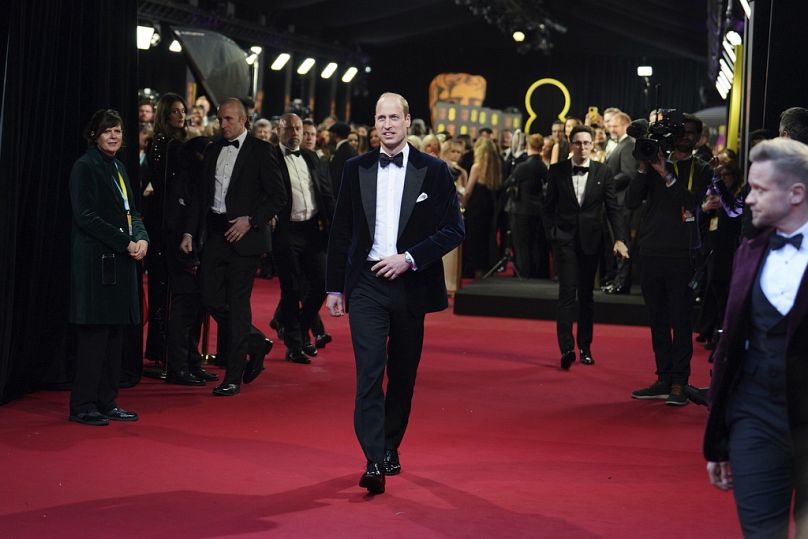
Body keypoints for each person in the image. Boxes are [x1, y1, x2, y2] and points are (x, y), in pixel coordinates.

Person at [325, 92, 464, 495]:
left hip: (410, 284)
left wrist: (409, 258)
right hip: (367, 284)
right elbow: (341, 230)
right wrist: (335, 286)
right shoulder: (356, 168)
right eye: (380, 118)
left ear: (407, 121)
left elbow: (454, 229)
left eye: (394, 117)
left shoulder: (434, 170)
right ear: (375, 122)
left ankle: (389, 445)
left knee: (402, 373)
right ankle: (372, 460)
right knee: (369, 371)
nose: (386, 124)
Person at [704, 138, 808, 538]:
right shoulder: (749, 251)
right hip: (755, 417)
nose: (748, 199)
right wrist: (718, 439)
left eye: (761, 190)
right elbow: (731, 344)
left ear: (796, 193)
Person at [198, 98, 286, 396]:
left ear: (244, 120)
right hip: (215, 235)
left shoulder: (262, 151)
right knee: (209, 297)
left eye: (229, 120)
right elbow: (203, 197)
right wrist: (189, 232)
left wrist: (251, 221)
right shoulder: (212, 150)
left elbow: (278, 197)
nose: (223, 124)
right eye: (220, 119)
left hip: (246, 238)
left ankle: (233, 376)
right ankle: (256, 342)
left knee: (237, 307)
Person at [68, 109, 148, 426]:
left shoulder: (118, 167)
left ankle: (107, 400)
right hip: (96, 266)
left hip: (121, 265)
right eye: (107, 131)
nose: (113, 136)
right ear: (94, 135)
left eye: (117, 131)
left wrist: (142, 238)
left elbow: (133, 214)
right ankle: (83, 405)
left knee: (115, 336)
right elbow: (85, 216)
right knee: (95, 338)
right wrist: (124, 242)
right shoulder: (84, 167)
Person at [627, 113, 712, 406]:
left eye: (691, 132)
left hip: (682, 253)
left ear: (699, 138)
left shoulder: (702, 168)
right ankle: (663, 377)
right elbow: (630, 201)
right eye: (681, 132)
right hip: (651, 250)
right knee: (658, 319)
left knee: (681, 319)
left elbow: (691, 202)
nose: (685, 136)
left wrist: (667, 174)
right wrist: (643, 167)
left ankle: (680, 382)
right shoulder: (652, 163)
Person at [543, 125, 628, 369]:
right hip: (565, 240)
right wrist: (553, 234)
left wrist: (619, 238)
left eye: (586, 143)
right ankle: (567, 349)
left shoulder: (604, 171)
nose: (582, 147)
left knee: (587, 296)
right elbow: (548, 208)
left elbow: (613, 209)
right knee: (567, 293)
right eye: (577, 143)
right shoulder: (557, 171)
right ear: (571, 145)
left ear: (593, 145)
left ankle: (585, 347)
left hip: (592, 241)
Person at [270, 113, 334, 363]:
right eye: (290, 128)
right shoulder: (271, 157)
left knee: (322, 283)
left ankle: (295, 326)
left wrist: (337, 225)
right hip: (285, 229)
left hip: (312, 229)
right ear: (279, 130)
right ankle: (295, 345)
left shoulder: (311, 156)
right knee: (291, 288)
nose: (295, 133)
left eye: (299, 128)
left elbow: (325, 193)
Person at [504, 134, 549, 278]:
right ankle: (534, 274)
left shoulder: (523, 166)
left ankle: (523, 274)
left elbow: (507, 183)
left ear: (527, 146)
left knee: (521, 244)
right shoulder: (542, 166)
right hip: (537, 210)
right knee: (534, 244)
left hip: (521, 210)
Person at [464, 138, 501, 278]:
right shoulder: (495, 166)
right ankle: (486, 269)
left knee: (475, 239)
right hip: (490, 206)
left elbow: (468, 191)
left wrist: (463, 204)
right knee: (486, 239)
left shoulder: (477, 166)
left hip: (476, 207)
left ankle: (476, 269)